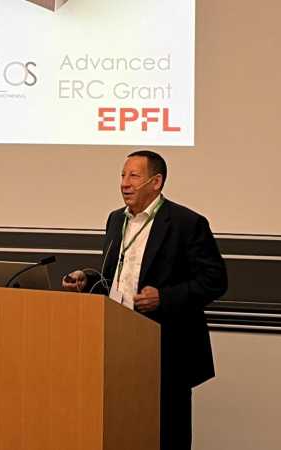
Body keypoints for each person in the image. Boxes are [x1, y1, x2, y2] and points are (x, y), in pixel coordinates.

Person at [62, 150, 227, 450]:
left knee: (167, 434)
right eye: (122, 176)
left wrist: (164, 297)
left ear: (156, 182)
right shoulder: (116, 220)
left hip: (167, 348)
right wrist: (87, 279)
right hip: (118, 344)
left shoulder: (186, 223)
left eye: (134, 176)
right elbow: (116, 278)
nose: (125, 183)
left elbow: (215, 281)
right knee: (121, 429)